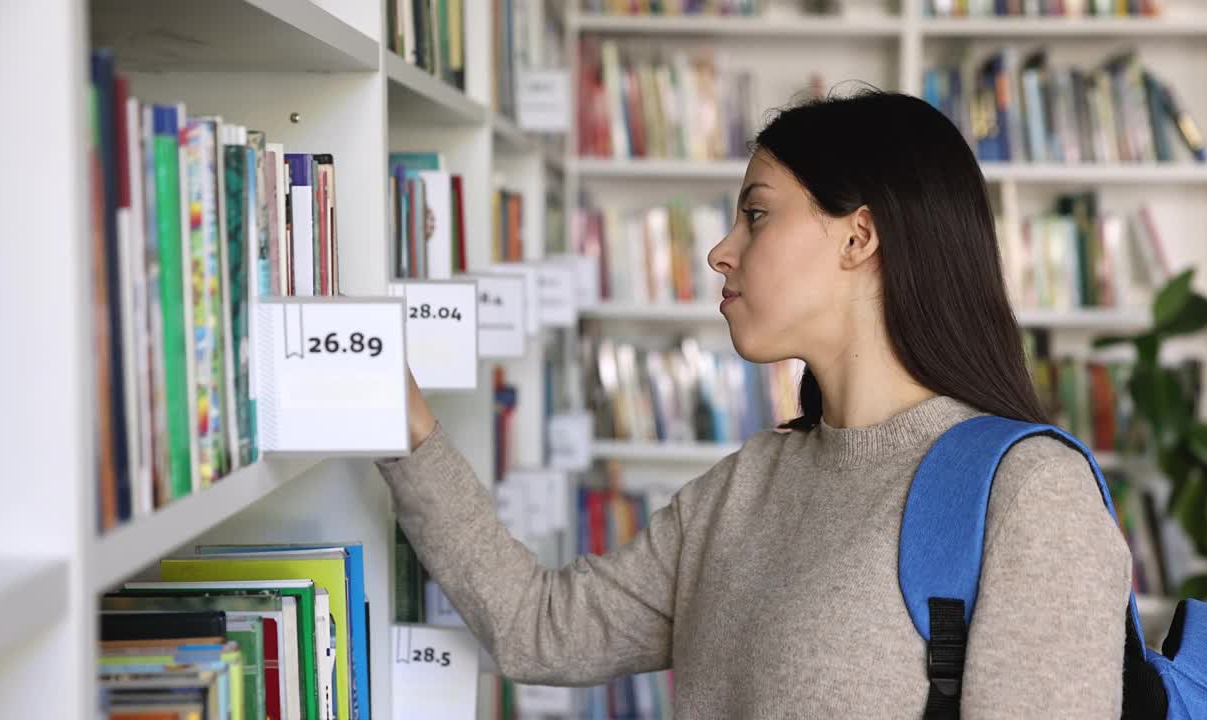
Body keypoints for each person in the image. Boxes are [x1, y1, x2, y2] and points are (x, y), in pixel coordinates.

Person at [378, 89, 1131, 718]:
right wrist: (399, 421)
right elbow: (539, 630)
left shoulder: (1028, 497)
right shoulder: (749, 484)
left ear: (859, 236)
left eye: (757, 214)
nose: (720, 251)